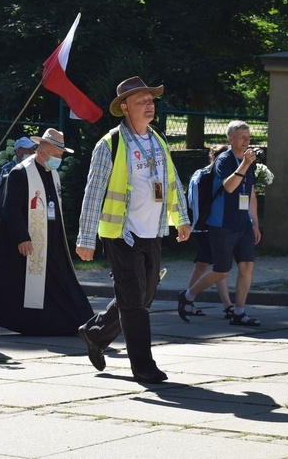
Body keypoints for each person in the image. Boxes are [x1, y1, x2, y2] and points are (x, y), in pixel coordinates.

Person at [75, 76, 191, 384]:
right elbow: (93, 192)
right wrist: (86, 238)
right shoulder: (110, 143)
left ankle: (95, 333)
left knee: (142, 295)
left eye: (151, 100)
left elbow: (172, 182)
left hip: (152, 232)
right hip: (120, 234)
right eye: (142, 101)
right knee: (135, 302)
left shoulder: (158, 140)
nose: (150, 105)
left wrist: (182, 218)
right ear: (125, 108)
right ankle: (144, 366)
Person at [0, 128, 93, 336]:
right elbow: (10, 208)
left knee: (58, 279)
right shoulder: (20, 173)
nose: (59, 159)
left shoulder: (52, 173)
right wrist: (22, 237)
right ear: (42, 151)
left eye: (61, 155)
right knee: (4, 281)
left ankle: (78, 320)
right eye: (57, 154)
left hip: (48, 239)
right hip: (17, 239)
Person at [178, 120, 262, 327]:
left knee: (247, 266)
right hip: (222, 224)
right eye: (242, 137)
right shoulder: (224, 160)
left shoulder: (249, 162)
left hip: (243, 224)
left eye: (248, 137)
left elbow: (250, 193)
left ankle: (239, 312)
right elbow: (230, 186)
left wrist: (255, 223)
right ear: (230, 139)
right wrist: (245, 164)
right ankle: (187, 296)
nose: (246, 141)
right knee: (221, 271)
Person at [186, 144, 233, 318]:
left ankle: (187, 301)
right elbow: (194, 203)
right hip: (204, 227)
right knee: (218, 266)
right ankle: (228, 306)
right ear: (214, 158)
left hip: (216, 226)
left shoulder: (225, 175)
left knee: (205, 265)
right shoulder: (202, 175)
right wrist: (199, 226)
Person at [0, 136, 37, 227]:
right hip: (8, 217)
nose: (32, 153)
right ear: (19, 153)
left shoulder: (35, 168)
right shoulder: (7, 169)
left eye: (33, 149)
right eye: (29, 150)